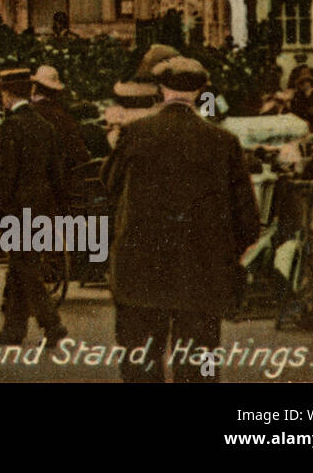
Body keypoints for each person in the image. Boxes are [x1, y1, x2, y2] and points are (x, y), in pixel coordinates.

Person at [102, 56, 259, 382]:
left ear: (161, 89)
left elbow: (109, 186)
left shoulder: (136, 133)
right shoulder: (224, 142)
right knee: (197, 367)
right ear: (202, 90)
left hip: (140, 270)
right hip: (200, 272)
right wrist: (223, 255)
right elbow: (247, 220)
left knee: (141, 363)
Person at [0, 68, 67, 348]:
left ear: (7, 94)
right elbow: (56, 172)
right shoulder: (44, 126)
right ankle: (13, 329)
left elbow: (5, 173)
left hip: (17, 209)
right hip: (42, 207)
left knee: (26, 267)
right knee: (21, 267)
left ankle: (52, 323)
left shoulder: (11, 126)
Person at [30, 65, 91, 171]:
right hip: (61, 170)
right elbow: (77, 148)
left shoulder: (29, 110)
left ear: (36, 86)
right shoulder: (59, 114)